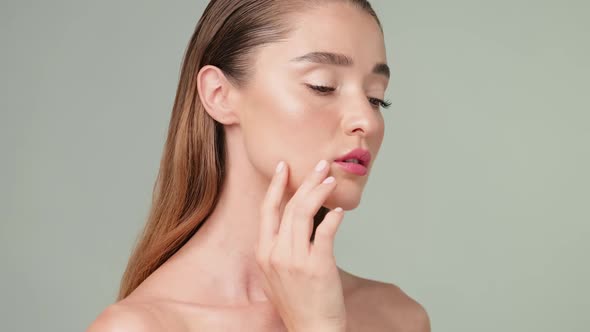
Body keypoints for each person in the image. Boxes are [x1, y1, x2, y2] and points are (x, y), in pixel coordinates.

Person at [88, 0, 430, 331]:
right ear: (219, 94)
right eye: (322, 85)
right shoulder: (140, 327)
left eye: (375, 97)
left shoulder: (398, 318)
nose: (367, 121)